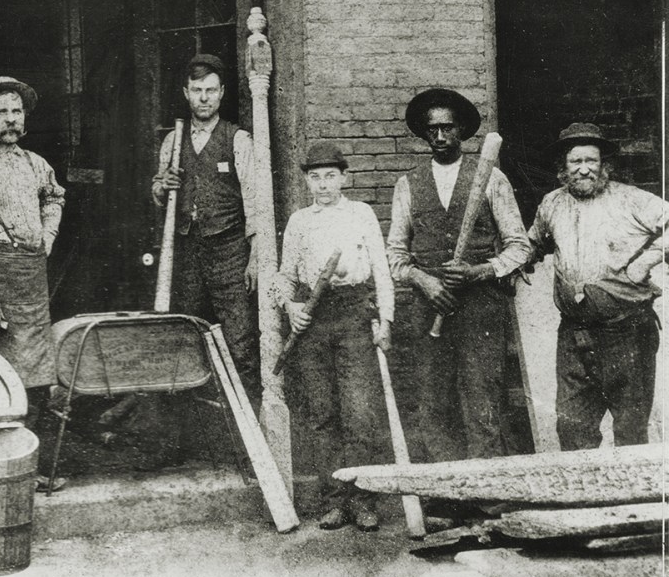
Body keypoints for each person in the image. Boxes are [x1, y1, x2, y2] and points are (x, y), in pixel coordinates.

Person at [386, 88, 530, 462]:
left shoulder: (491, 178)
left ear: (462, 130)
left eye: (448, 128)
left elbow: (519, 246)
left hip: (481, 306)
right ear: (423, 133)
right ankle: (446, 499)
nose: (440, 137)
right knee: (434, 401)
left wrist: (480, 271)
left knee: (482, 398)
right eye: (432, 130)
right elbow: (396, 255)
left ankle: (485, 497)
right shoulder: (408, 184)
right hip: (430, 303)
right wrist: (424, 280)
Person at [526, 122, 667, 451]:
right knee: (573, 427)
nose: (585, 169)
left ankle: (631, 501)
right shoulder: (551, 205)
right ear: (563, 167)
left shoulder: (632, 200)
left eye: (592, 160)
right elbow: (532, 245)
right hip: (575, 336)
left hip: (627, 332)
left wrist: (648, 260)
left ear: (605, 165)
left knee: (631, 429)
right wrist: (509, 262)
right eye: (576, 162)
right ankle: (582, 501)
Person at [275, 143, 393, 532]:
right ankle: (334, 501)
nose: (322, 184)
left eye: (330, 176)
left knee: (359, 412)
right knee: (322, 414)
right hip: (313, 318)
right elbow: (284, 276)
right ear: (306, 180)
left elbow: (382, 271)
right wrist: (291, 307)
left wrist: (386, 321)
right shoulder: (299, 221)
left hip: (354, 314)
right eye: (315, 176)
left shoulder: (361, 214)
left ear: (344, 177)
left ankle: (363, 502)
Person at [0, 76, 66, 492]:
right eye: (1, 111)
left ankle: (32, 469)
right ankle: (3, 470)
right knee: (3, 376)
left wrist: (48, 237)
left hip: (32, 276)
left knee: (39, 376)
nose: (10, 119)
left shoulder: (35, 163)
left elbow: (55, 197)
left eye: (16, 111)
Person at [152, 54, 263, 402]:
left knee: (240, 340)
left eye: (211, 90)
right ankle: (188, 430)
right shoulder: (173, 140)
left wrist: (255, 257)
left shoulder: (238, 140)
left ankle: (247, 430)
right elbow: (159, 193)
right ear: (186, 93)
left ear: (222, 93)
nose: (204, 98)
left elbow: (255, 204)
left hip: (230, 251)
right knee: (185, 335)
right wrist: (161, 186)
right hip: (187, 251)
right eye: (197, 90)